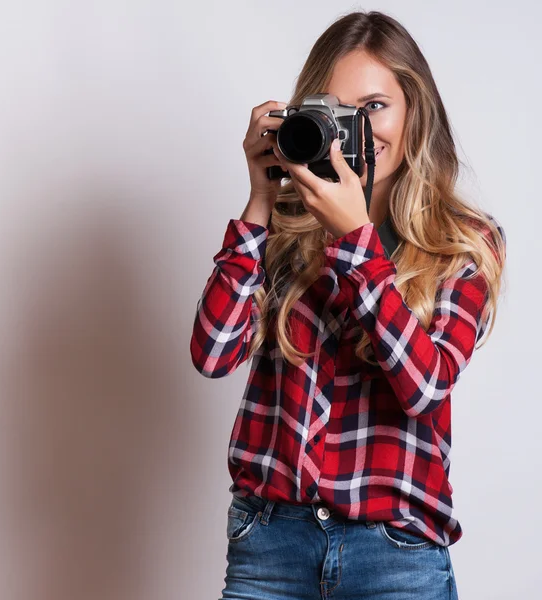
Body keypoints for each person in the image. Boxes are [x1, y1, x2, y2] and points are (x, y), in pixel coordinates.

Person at [190, 10, 506, 600]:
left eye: (375, 106)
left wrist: (356, 241)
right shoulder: (285, 227)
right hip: (270, 543)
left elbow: (424, 386)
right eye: (336, 111)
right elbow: (211, 355)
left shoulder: (462, 240)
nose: (356, 129)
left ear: (415, 113)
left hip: (397, 553)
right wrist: (261, 199)